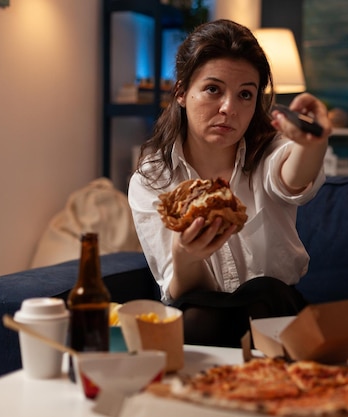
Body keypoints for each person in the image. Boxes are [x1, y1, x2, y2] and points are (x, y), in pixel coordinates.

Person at [128, 19, 332, 347]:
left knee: (262, 290)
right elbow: (182, 292)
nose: (229, 109)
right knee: (195, 313)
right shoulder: (152, 180)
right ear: (181, 92)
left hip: (275, 311)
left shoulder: (269, 154)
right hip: (205, 316)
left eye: (245, 95)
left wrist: (313, 144)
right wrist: (185, 253)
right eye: (213, 89)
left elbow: (292, 178)